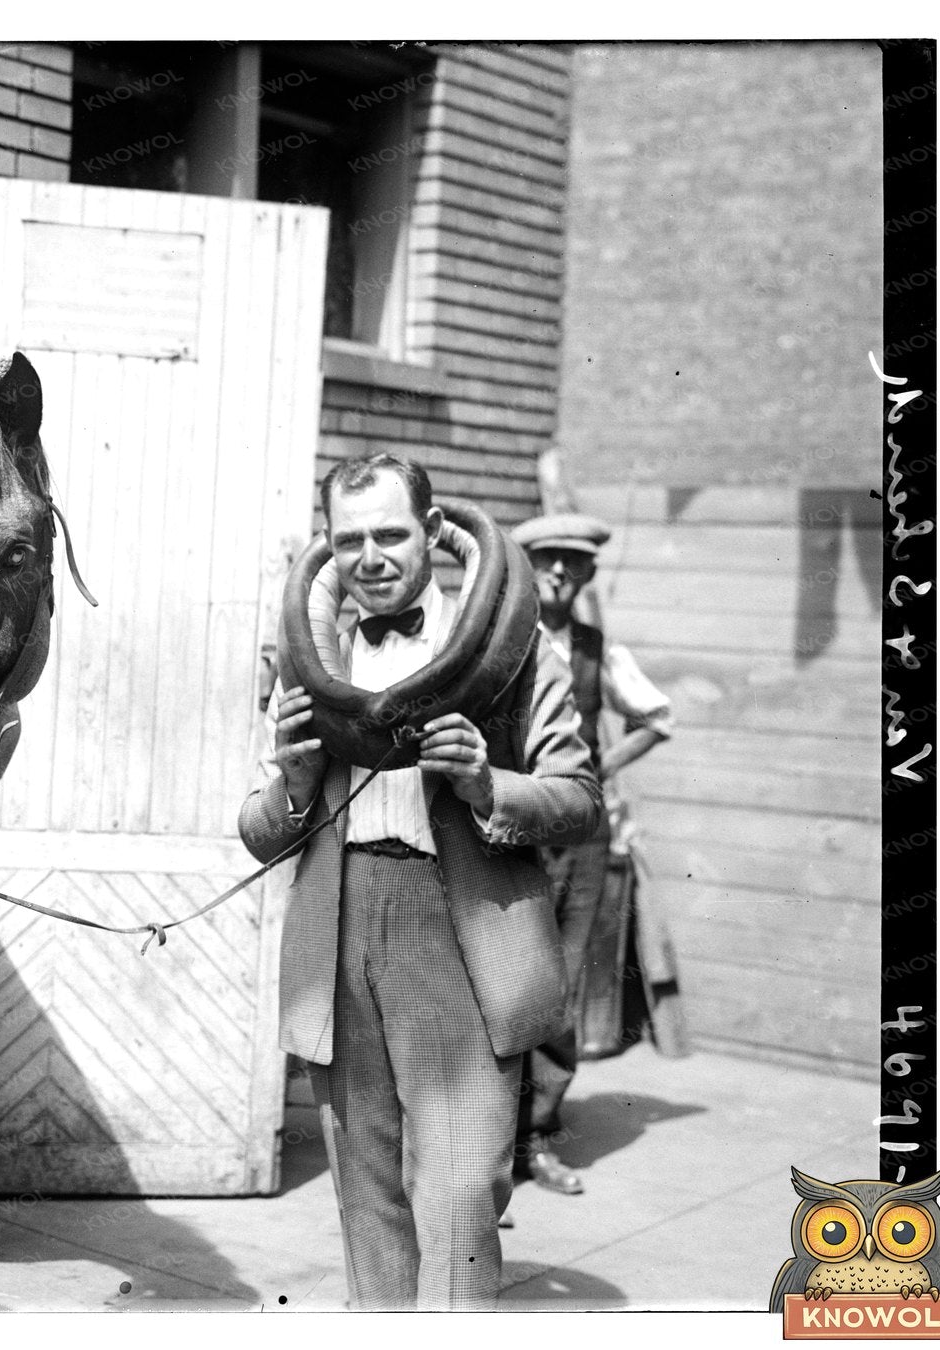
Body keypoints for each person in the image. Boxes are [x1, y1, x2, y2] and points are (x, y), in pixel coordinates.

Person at [240, 454, 602, 1310]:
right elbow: (259, 832)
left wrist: (488, 786)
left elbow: (581, 800)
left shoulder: (515, 651)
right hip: (341, 933)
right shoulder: (308, 664)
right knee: (367, 1193)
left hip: (462, 937)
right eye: (350, 538)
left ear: (435, 534)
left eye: (391, 534)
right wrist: (292, 785)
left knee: (461, 1187)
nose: (370, 556)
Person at [505, 512, 675, 1198]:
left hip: (578, 838)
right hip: (510, 829)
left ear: (586, 576)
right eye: (547, 560)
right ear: (529, 567)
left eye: (572, 565)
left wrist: (599, 771)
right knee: (500, 978)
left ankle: (538, 1139)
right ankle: (484, 1140)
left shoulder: (597, 650)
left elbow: (657, 719)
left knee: (560, 985)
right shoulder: (505, 644)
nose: (558, 574)